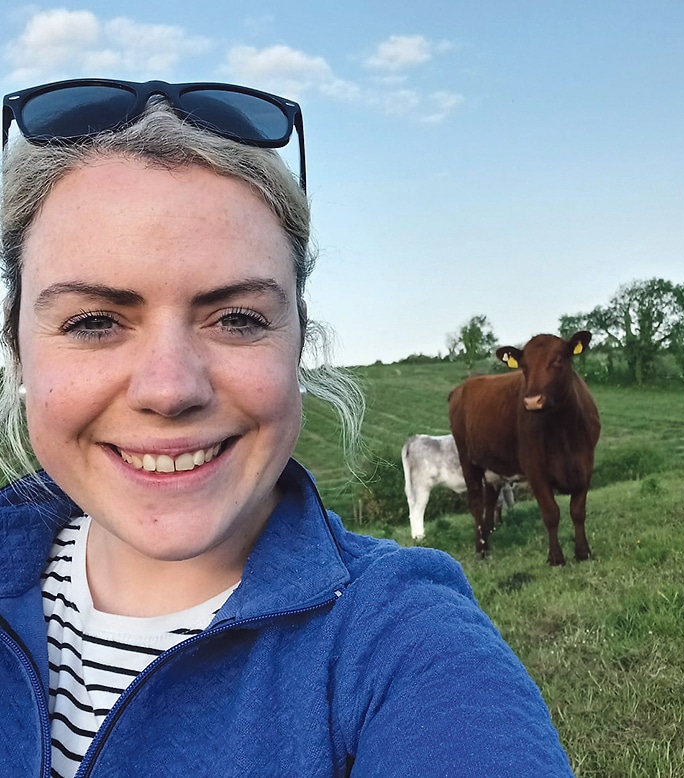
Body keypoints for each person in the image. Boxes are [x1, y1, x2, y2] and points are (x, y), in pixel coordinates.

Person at [0, 78, 575, 777]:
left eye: (237, 318)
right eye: (94, 321)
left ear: (299, 342)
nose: (170, 388)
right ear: (16, 345)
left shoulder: (406, 645)